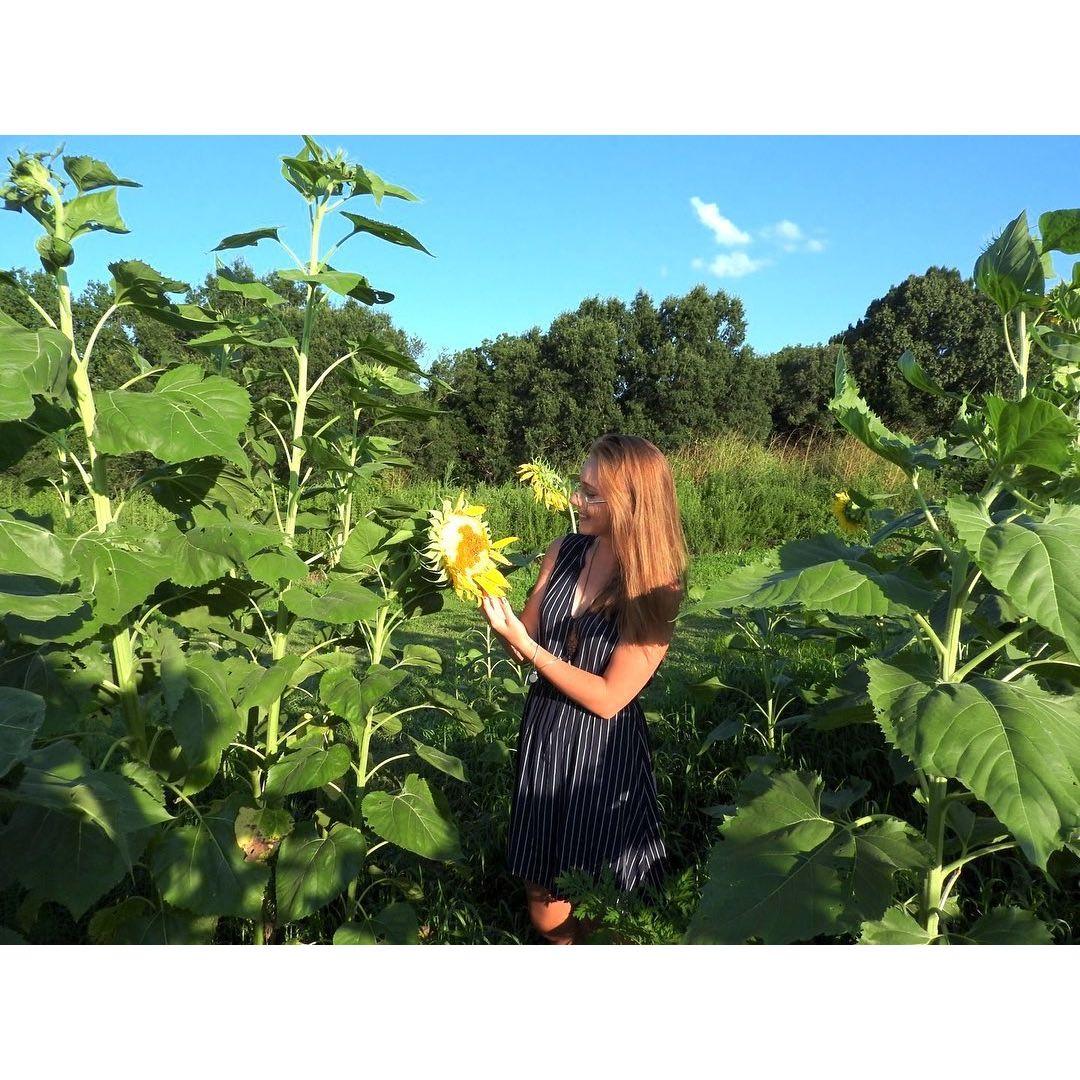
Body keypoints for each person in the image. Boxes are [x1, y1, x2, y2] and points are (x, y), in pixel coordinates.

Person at [480, 433, 688, 944]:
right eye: (580, 487)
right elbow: (523, 637)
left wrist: (528, 651)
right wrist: (484, 586)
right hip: (546, 733)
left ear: (633, 503)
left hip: (601, 753)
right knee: (541, 893)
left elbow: (610, 697)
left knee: (596, 890)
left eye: (593, 494)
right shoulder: (565, 550)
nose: (577, 500)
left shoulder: (657, 584)